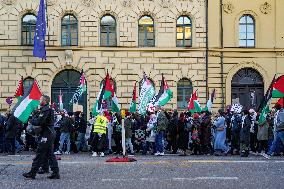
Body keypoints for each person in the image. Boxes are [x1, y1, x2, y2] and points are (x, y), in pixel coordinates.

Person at [23, 95, 60, 179]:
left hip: (47, 134)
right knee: (49, 153)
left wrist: (31, 120)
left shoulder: (46, 109)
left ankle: (32, 173)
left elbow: (40, 121)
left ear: (45, 101)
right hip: (48, 133)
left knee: (40, 153)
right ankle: (55, 172)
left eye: (41, 99)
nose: (39, 100)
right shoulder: (45, 109)